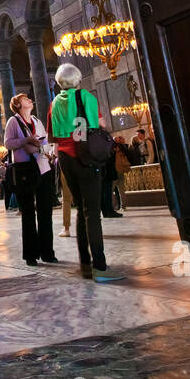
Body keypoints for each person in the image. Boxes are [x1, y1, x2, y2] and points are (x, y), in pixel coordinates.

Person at [48, 63, 122, 282]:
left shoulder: (54, 102)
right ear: (77, 78)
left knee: (81, 208)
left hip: (65, 158)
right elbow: (99, 124)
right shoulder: (85, 98)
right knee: (93, 213)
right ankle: (100, 267)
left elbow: (53, 134)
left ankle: (85, 265)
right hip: (84, 156)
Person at [4, 93, 59, 266]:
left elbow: (45, 142)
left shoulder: (36, 121)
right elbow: (8, 143)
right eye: (25, 99)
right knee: (28, 213)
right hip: (24, 170)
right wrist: (25, 140)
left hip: (42, 167)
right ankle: (31, 254)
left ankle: (47, 252)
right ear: (18, 105)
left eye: (29, 98)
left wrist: (48, 150)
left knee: (45, 212)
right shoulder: (13, 121)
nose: (29, 100)